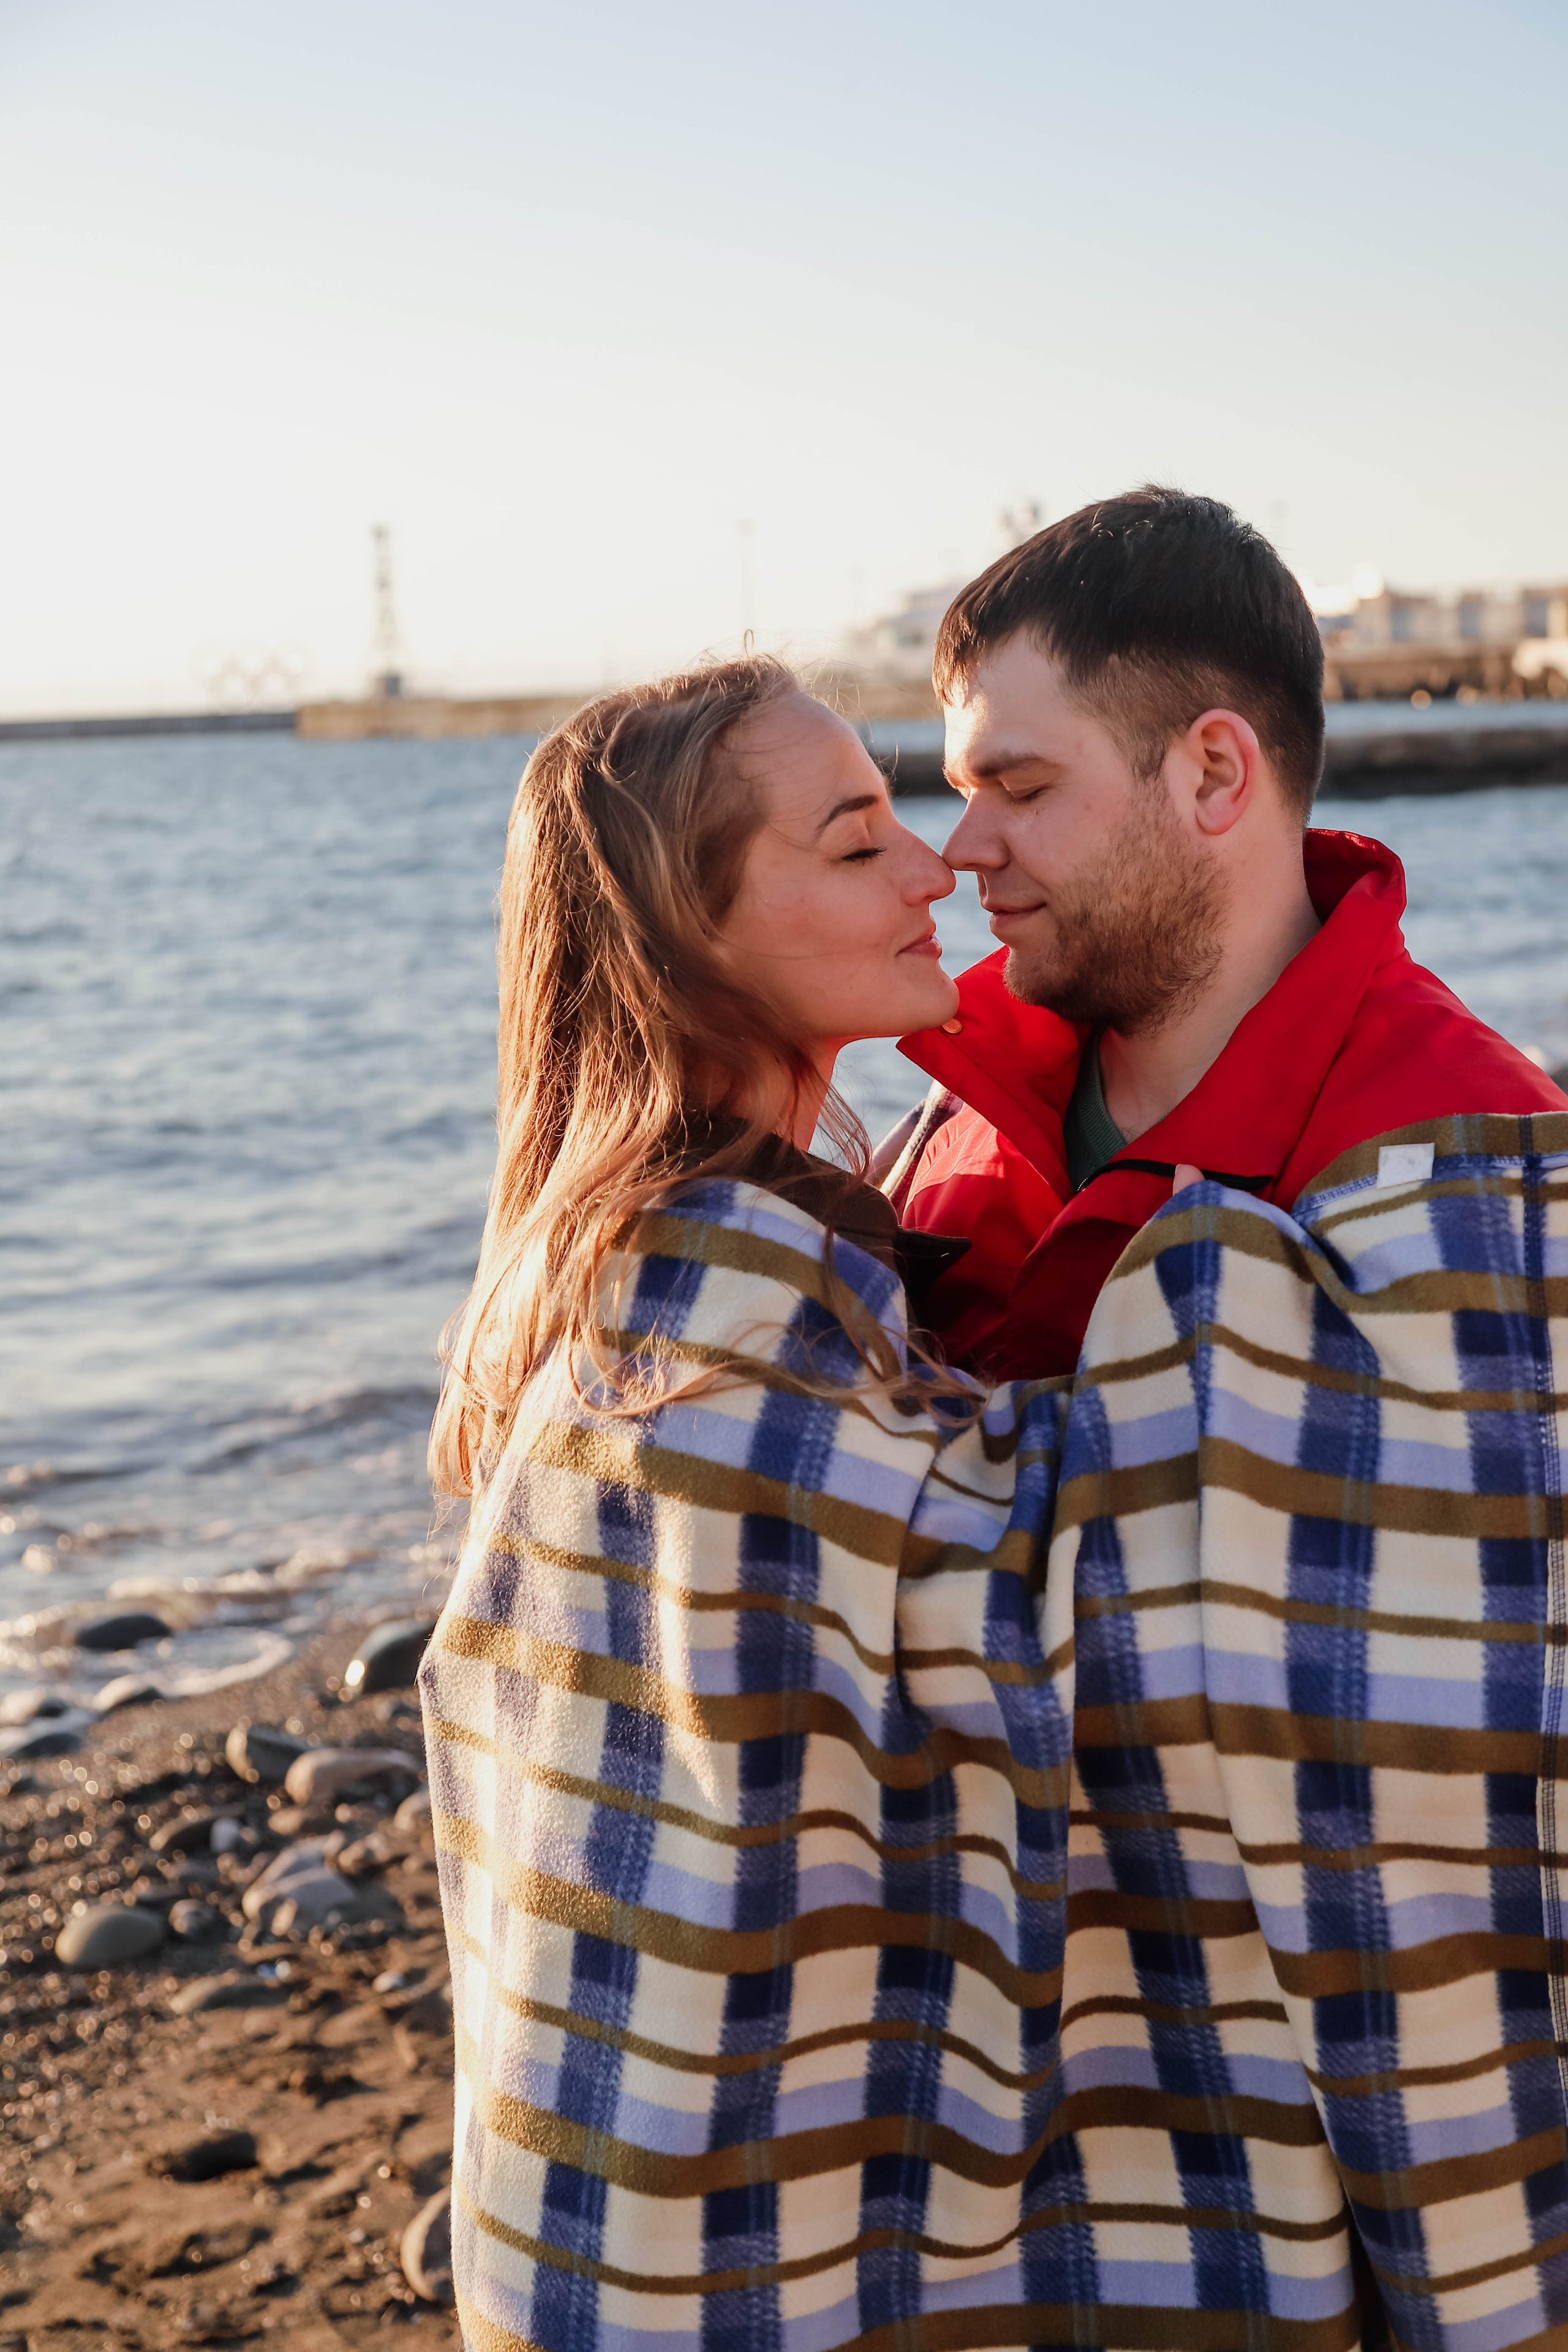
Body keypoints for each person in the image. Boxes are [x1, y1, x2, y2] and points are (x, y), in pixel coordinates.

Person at [418, 657, 1070, 2348]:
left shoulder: (632, 1267)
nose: (939, 868)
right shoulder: (709, 1334)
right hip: (690, 2269)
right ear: (682, 937)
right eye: (857, 847)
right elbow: (1041, 1606)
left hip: (569, 2212)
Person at [883, 486, 1567, 1374]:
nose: (960, 853)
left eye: (1022, 788)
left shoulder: (1488, 1177)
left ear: (1213, 774)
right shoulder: (961, 1103)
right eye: (963, 792)